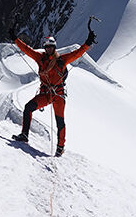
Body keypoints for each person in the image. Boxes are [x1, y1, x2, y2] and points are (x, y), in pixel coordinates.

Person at [12, 25, 96, 156]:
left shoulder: (62, 60)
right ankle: (24, 135)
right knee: (28, 107)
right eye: (46, 47)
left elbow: (78, 53)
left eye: (50, 46)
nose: (48, 49)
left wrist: (88, 43)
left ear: (54, 47)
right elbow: (26, 50)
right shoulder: (40, 58)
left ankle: (60, 147)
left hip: (58, 95)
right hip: (46, 93)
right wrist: (15, 39)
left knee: (60, 121)